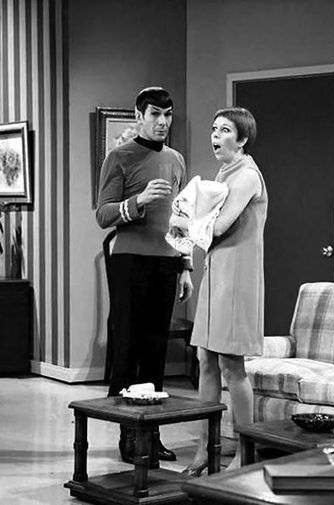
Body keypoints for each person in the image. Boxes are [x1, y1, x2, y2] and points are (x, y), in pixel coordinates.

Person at [96, 87, 193, 465]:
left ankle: (151, 435)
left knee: (155, 350)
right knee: (129, 347)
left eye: (168, 115)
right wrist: (138, 202)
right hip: (129, 262)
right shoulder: (119, 157)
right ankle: (127, 434)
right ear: (139, 116)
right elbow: (103, 214)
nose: (163, 122)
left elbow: (181, 218)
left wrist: (185, 267)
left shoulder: (176, 159)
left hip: (165, 263)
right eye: (155, 114)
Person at [181, 107, 268, 476]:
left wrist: (184, 218)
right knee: (205, 359)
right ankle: (205, 448)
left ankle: (245, 453)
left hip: (237, 277)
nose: (215, 136)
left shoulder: (247, 176)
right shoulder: (224, 173)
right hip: (217, 272)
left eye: (225, 130)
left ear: (242, 138)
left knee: (232, 365)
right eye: (214, 129)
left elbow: (219, 226)